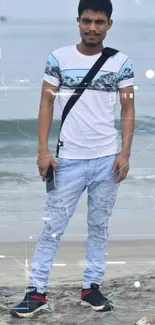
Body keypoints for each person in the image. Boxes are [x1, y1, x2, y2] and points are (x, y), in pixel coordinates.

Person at [10, 0, 135, 318]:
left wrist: (124, 153)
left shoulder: (121, 62)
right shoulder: (59, 58)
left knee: (99, 226)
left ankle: (91, 288)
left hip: (106, 159)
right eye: (87, 21)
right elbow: (45, 105)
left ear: (109, 24)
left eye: (99, 21)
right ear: (78, 21)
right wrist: (43, 151)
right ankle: (36, 293)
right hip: (67, 160)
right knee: (52, 227)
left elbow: (128, 108)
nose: (92, 27)